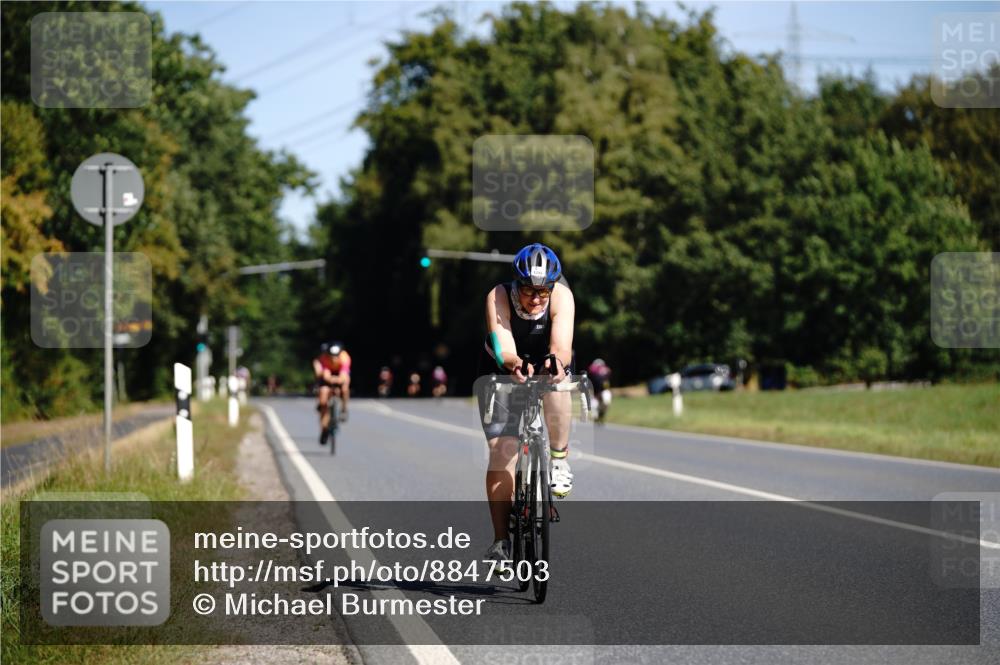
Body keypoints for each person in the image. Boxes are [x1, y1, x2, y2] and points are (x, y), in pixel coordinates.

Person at [476, 243, 575, 566]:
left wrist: (555, 364)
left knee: (559, 384)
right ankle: (501, 540)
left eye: (543, 292)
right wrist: (515, 363)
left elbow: (562, 345)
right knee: (502, 450)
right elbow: (503, 344)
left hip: (546, 363)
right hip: (502, 371)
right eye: (528, 291)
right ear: (516, 284)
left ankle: (558, 460)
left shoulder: (562, 295)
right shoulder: (498, 295)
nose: (535, 299)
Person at [312, 341, 351, 444]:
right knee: (323, 398)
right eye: (331, 355)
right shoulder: (323, 358)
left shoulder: (344, 357)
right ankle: (324, 428)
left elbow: (344, 374)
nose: (333, 358)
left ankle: (344, 409)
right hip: (328, 375)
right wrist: (330, 379)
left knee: (345, 389)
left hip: (340, 374)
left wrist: (338, 380)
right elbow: (324, 374)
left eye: (336, 356)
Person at [587, 358, 612, 423]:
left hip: (603, 390)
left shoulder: (606, 371)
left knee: (606, 401)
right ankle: (597, 417)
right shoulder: (592, 371)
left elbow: (606, 383)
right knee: (594, 406)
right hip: (594, 393)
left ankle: (601, 414)